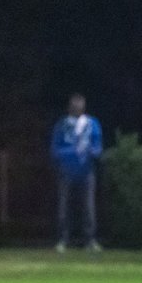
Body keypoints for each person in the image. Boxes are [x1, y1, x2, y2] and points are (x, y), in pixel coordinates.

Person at [50, 93, 103, 252]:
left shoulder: (92, 124)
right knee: (64, 207)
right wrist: (72, 152)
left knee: (88, 207)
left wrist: (91, 152)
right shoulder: (62, 125)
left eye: (79, 104)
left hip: (87, 172)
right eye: (74, 105)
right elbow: (54, 150)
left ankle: (89, 240)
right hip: (66, 171)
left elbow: (98, 148)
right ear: (69, 107)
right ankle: (63, 240)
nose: (77, 107)